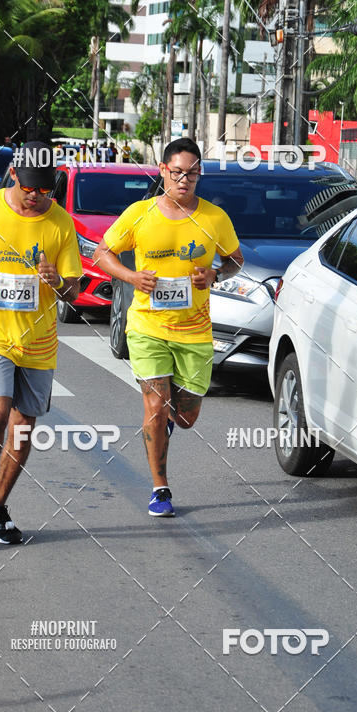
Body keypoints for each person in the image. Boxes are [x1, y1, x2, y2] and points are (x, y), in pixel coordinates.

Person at [94, 137, 243, 516]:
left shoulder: (214, 218)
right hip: (147, 326)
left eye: (192, 173)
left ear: (199, 176)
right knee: (156, 407)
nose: (184, 180)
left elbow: (235, 261)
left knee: (187, 416)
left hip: (194, 331)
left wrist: (214, 274)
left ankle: (164, 428)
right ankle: (160, 488)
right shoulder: (140, 213)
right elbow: (101, 253)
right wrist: (131, 277)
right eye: (177, 172)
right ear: (163, 171)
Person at [0, 141, 82, 545]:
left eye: (45, 190)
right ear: (14, 175)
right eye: (30, 188)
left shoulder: (61, 223)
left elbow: (74, 290)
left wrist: (57, 282)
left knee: (23, 428)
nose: (36, 196)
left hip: (39, 342)